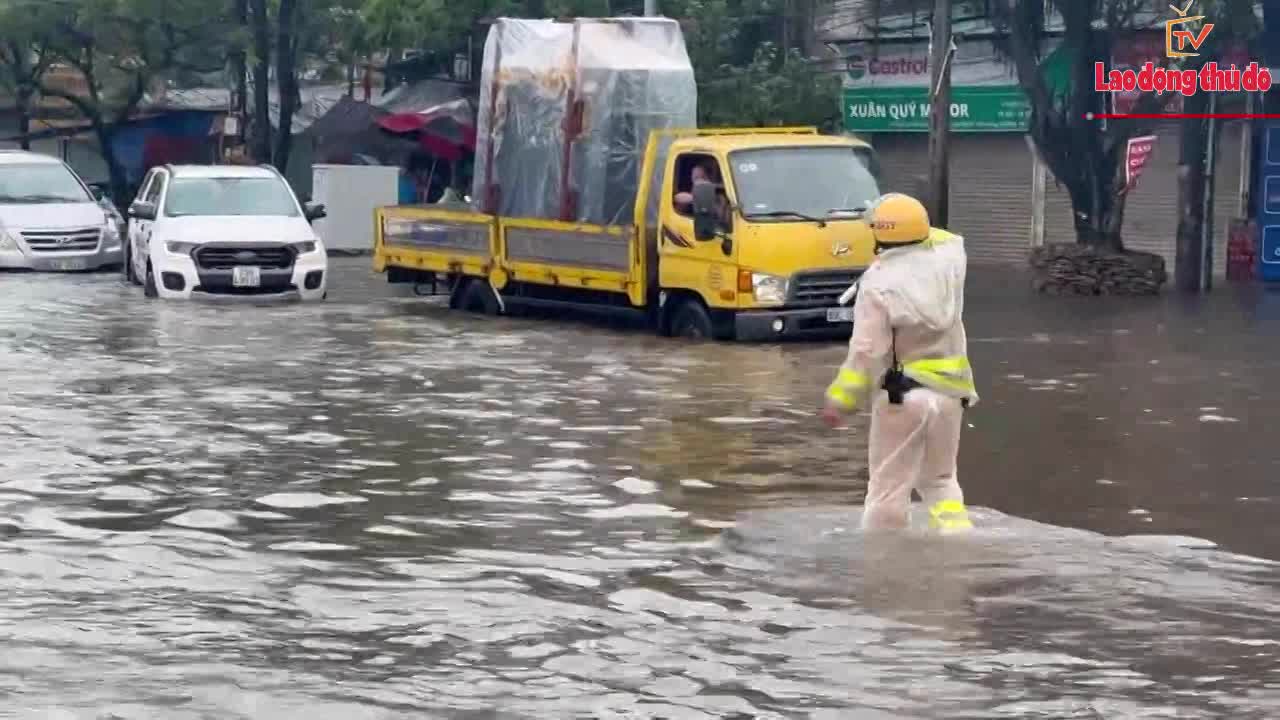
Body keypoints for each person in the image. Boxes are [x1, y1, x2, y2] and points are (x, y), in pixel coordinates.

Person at [820, 192, 978, 533]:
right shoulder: (950, 260)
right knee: (941, 482)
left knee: (888, 490)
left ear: (880, 234)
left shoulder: (879, 282)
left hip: (902, 398)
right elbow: (942, 236)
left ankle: (881, 570)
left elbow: (867, 353)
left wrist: (841, 400)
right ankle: (959, 548)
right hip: (952, 395)